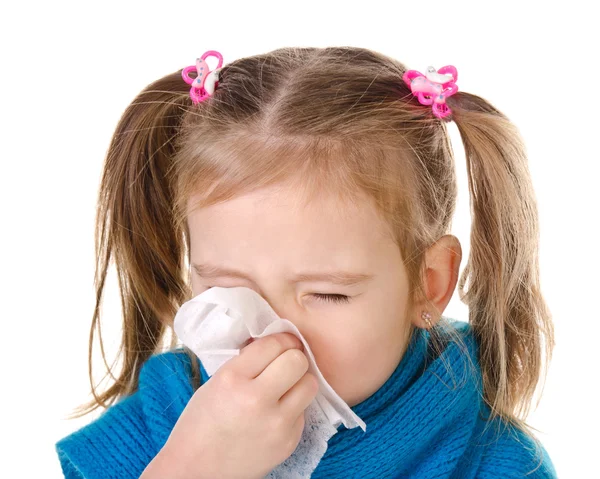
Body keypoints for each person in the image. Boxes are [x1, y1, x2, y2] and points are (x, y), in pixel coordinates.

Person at [55, 46, 557, 478]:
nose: (268, 338)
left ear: (428, 284)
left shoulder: (491, 462)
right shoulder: (159, 423)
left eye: (327, 294)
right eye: (225, 289)